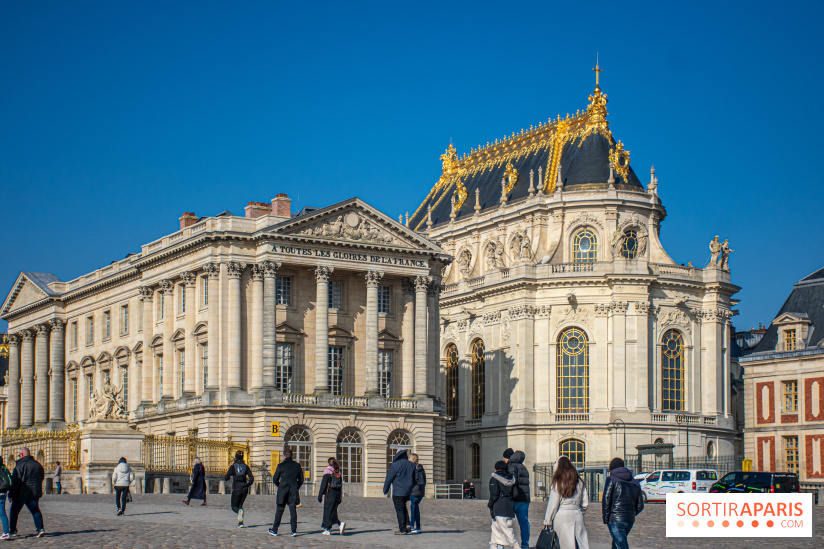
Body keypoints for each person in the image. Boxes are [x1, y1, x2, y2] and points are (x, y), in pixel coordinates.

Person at [544, 456, 589, 549]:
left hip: (562, 516)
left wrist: (548, 521)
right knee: (580, 544)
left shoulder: (558, 482)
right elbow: (585, 503)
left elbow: (553, 504)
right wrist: (580, 512)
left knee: (565, 544)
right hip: (577, 515)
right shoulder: (579, 481)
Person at [602, 458, 644, 549]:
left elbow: (606, 499)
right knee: (616, 544)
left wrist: (606, 519)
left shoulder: (611, 479)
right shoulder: (635, 482)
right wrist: (631, 513)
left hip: (615, 519)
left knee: (621, 545)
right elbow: (640, 505)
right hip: (629, 519)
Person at [9, 447, 45, 538]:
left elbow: (16, 481)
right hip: (34, 493)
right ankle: (40, 529)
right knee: (35, 511)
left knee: (14, 512)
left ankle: (13, 530)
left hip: (21, 494)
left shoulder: (20, 465)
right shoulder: (38, 464)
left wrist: (11, 494)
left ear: (22, 455)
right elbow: (41, 477)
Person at [269, 448, 304, 537]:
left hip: (283, 491)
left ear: (284, 456)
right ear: (292, 456)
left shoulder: (280, 466)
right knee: (293, 511)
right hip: (293, 490)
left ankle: (275, 529)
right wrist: (296, 487)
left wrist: (280, 486)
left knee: (279, 511)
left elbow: (275, 479)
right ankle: (294, 531)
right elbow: (301, 480)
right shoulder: (297, 465)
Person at [383, 449, 415, 535]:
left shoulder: (395, 465)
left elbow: (389, 478)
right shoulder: (411, 465)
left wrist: (385, 489)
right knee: (404, 507)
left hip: (398, 491)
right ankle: (407, 524)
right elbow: (415, 478)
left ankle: (402, 529)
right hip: (408, 491)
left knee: (399, 509)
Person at [488, 460, 518, 549]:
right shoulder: (511, 479)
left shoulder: (495, 479)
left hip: (499, 507)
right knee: (495, 529)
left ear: (496, 469)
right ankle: (493, 546)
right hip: (509, 506)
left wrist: (490, 505)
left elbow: (494, 495)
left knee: (507, 531)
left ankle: (516, 546)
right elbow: (515, 494)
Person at [504, 449, 531, 549]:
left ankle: (508, 543)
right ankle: (525, 544)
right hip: (524, 499)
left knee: (506, 521)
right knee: (524, 523)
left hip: (514, 499)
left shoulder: (511, 466)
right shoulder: (524, 467)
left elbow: (510, 482)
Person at [224, 450, 254, 528]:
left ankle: (239, 514)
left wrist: (227, 477)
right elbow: (252, 478)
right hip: (244, 489)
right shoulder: (246, 466)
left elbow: (226, 477)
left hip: (237, 488)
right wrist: (247, 484)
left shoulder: (233, 466)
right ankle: (241, 523)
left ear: (236, 457)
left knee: (234, 506)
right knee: (240, 505)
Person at [318, 457, 344, 535]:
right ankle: (340, 524)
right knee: (333, 510)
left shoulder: (327, 471)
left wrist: (320, 495)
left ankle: (327, 529)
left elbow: (323, 484)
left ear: (329, 464)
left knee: (328, 510)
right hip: (337, 493)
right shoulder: (338, 472)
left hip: (330, 493)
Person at [409, 453, 426, 534]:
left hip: (414, 491)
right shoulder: (421, 468)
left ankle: (412, 526)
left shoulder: (413, 468)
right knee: (415, 508)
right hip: (420, 491)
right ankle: (417, 526)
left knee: (413, 508)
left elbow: (412, 480)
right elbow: (424, 481)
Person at [0, 456, 11, 540]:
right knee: (2, 512)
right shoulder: (4, 468)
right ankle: (6, 532)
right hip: (3, 492)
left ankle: (6, 532)